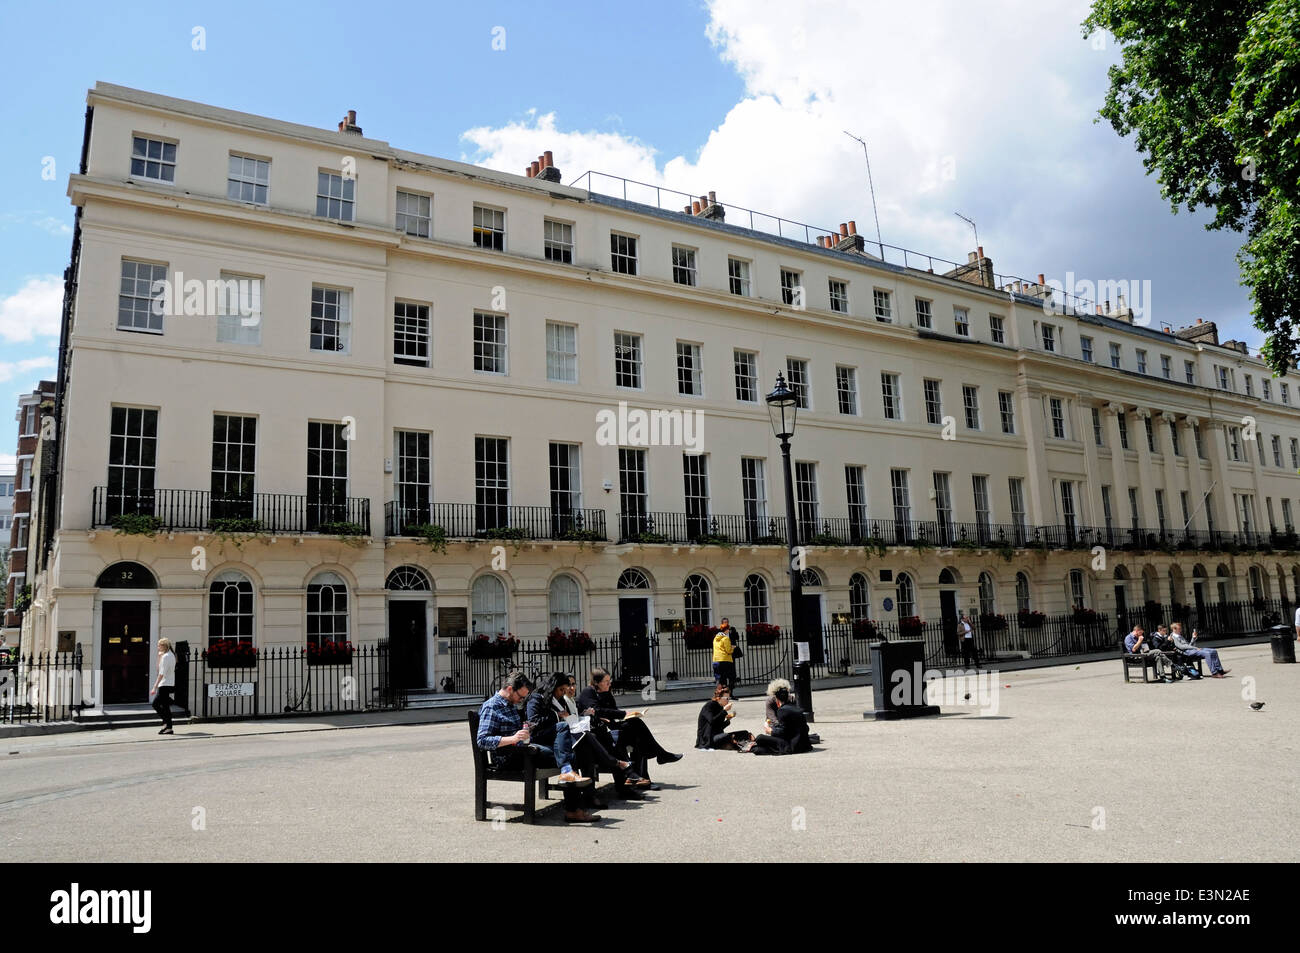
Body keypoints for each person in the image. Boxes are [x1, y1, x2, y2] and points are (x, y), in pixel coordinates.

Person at [476, 671, 598, 824]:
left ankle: (570, 788)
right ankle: (573, 809)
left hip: (523, 749)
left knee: (565, 745)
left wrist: (528, 728)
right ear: (509, 689)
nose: (521, 700)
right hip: (508, 756)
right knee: (567, 755)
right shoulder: (492, 707)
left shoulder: (510, 704)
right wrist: (512, 738)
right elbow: (482, 740)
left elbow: (518, 728)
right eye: (520, 696)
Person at [577, 667, 682, 788]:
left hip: (612, 727)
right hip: (601, 732)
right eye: (606, 681)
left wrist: (626, 715)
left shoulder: (607, 693)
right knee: (637, 729)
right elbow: (598, 711)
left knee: (637, 731)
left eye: (609, 680)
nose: (609, 683)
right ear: (596, 682)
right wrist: (623, 714)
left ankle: (646, 775)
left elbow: (613, 711)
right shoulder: (588, 692)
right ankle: (660, 757)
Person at [750, 685, 812, 755]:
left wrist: (770, 730)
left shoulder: (782, 710)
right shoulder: (796, 708)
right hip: (804, 745)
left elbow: (782, 732)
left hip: (792, 746)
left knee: (759, 738)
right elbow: (806, 728)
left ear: (777, 700)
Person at [696, 684, 752, 750]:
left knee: (745, 733)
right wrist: (724, 710)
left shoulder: (720, 707)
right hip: (708, 738)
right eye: (726, 698)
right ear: (719, 698)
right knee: (727, 736)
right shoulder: (709, 705)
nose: (728, 700)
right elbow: (712, 721)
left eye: (729, 698)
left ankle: (741, 744)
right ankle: (739, 744)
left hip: (718, 735)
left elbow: (718, 727)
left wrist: (728, 720)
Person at [150, 637, 176, 735]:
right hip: (169, 683)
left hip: (164, 684)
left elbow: (161, 673)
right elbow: (159, 669)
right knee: (165, 706)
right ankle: (168, 727)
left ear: (164, 646)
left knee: (155, 704)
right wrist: (159, 657)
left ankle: (167, 724)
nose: (158, 647)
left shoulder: (166, 657)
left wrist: (154, 687)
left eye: (159, 645)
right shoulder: (171, 655)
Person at [713, 619, 737, 692]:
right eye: (728, 630)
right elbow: (728, 650)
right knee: (732, 677)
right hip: (725, 660)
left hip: (716, 661)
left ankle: (720, 695)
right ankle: (727, 692)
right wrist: (732, 648)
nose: (728, 631)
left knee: (721, 680)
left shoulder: (715, 638)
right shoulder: (725, 638)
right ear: (726, 630)